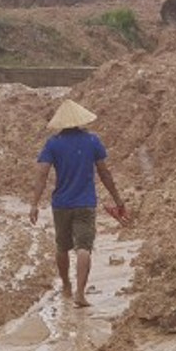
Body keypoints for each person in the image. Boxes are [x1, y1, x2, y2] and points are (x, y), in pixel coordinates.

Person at [28, 98, 125, 307]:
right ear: (81, 120)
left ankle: (66, 286)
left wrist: (34, 203)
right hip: (85, 203)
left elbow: (42, 175)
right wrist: (118, 199)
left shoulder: (53, 144)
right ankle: (80, 293)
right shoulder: (92, 141)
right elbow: (104, 172)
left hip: (61, 203)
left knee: (62, 246)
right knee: (84, 247)